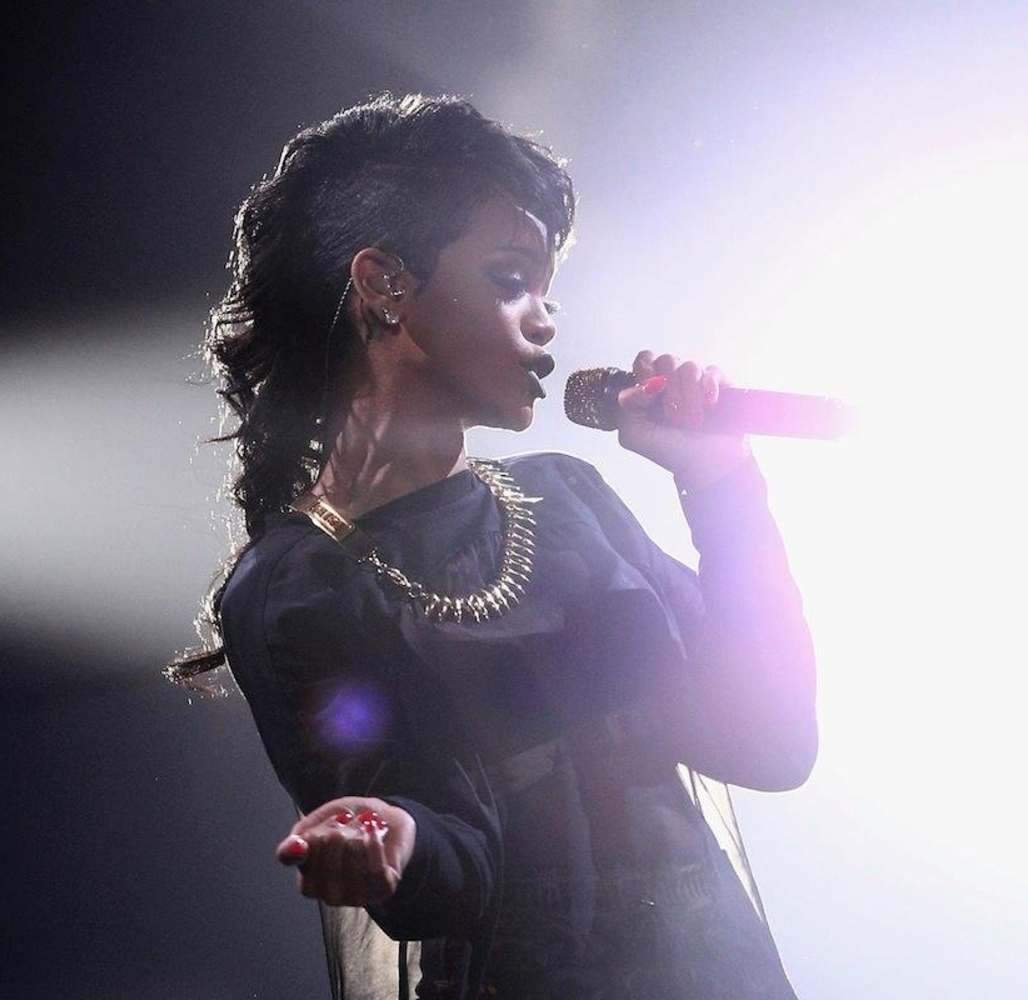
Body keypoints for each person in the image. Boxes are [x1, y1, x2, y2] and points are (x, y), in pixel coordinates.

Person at [168, 93, 817, 1000]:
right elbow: (456, 870)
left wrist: (721, 484)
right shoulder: (294, 587)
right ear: (385, 285)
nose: (545, 321)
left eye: (546, 291)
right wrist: (395, 837)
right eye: (511, 280)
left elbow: (774, 744)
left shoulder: (568, 497)